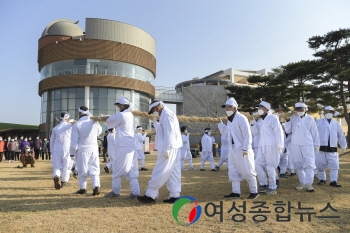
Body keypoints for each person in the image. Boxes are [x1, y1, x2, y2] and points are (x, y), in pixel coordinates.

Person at [137, 100, 182, 203]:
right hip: (172, 147)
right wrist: (155, 122)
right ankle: (174, 195)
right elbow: (162, 131)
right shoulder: (164, 115)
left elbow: (169, 132)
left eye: (153, 110)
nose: (153, 113)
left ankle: (151, 195)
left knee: (160, 170)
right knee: (173, 172)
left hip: (169, 147)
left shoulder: (167, 114)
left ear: (157, 107)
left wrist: (167, 148)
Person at [218, 97, 259, 199]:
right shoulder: (229, 121)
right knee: (233, 170)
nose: (227, 109)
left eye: (229, 107)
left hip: (243, 149)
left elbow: (247, 135)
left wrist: (245, 149)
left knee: (248, 170)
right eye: (226, 108)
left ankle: (254, 191)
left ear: (235, 108)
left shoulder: (241, 118)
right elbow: (227, 133)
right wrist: (220, 124)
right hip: (232, 149)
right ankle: (235, 192)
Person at [105, 97, 140, 198]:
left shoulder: (121, 115)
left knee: (117, 169)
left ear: (123, 106)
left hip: (123, 145)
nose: (118, 107)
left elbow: (110, 122)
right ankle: (135, 192)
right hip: (131, 145)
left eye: (119, 105)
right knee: (132, 170)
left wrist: (103, 117)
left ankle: (115, 192)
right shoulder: (131, 115)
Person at [284, 102, 320, 192]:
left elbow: (315, 132)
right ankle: (302, 182)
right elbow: (288, 131)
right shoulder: (293, 118)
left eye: (301, 109)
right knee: (298, 163)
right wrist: (287, 121)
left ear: (305, 109)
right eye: (298, 110)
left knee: (309, 164)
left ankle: (309, 184)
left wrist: (316, 144)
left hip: (307, 144)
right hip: (295, 143)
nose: (299, 111)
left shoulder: (310, 118)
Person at [251, 101, 284, 195]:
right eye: (258, 108)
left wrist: (280, 145)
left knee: (270, 166)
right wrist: (252, 123)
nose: (258, 110)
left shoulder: (273, 117)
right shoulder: (260, 120)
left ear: (266, 109)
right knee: (257, 164)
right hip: (262, 145)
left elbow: (279, 132)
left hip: (272, 145)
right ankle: (263, 183)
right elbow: (255, 132)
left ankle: (273, 187)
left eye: (260, 108)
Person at [70, 106, 102, 196]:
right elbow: (99, 132)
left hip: (82, 149)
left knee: (82, 170)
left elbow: (74, 142)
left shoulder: (77, 125)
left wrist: (72, 153)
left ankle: (83, 188)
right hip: (94, 149)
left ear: (80, 113)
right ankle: (96, 186)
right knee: (94, 168)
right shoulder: (94, 122)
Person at [315, 106, 347, 187]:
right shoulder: (318, 122)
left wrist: (343, 145)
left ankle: (333, 181)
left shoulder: (336, 124)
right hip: (321, 148)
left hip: (332, 148)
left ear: (333, 113)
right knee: (320, 165)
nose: (328, 113)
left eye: (330, 112)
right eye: (326, 111)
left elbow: (341, 135)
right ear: (324, 112)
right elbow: (313, 134)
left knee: (334, 165)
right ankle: (322, 179)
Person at [50, 112, 73, 190]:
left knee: (57, 166)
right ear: (67, 118)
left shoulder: (55, 128)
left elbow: (52, 141)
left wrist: (51, 151)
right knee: (66, 166)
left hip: (57, 149)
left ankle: (56, 176)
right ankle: (64, 181)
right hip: (67, 148)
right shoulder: (71, 127)